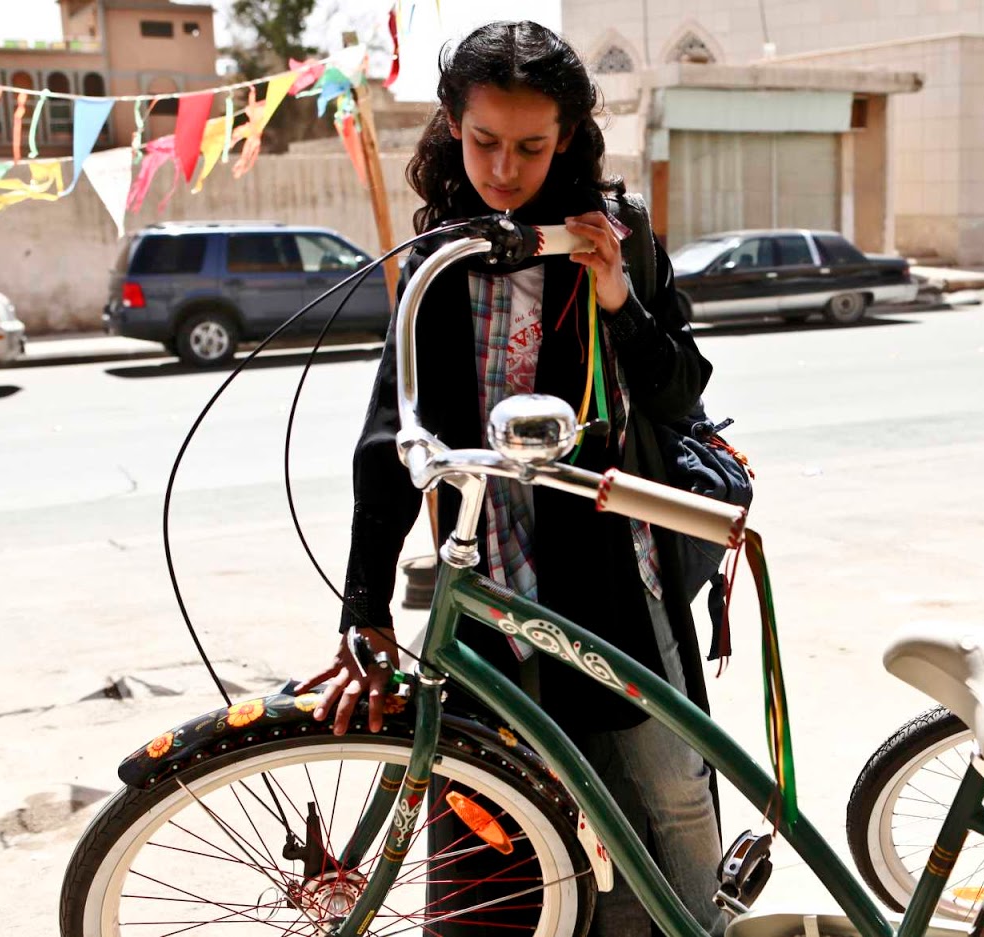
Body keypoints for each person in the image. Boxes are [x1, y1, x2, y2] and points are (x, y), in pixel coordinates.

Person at [299, 20, 726, 937]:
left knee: (666, 792)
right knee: (500, 816)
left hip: (619, 573)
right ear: (452, 123)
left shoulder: (615, 235)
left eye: (532, 147)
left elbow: (680, 392)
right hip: (491, 579)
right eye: (485, 141)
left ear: (567, 137)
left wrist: (617, 295)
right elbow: (391, 445)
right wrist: (363, 608)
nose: (505, 168)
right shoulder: (443, 259)